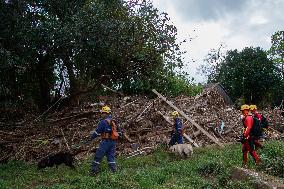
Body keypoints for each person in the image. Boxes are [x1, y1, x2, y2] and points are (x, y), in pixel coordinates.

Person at [90, 105, 121, 175]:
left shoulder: (103, 122)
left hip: (105, 142)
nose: (102, 114)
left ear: (106, 113)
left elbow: (97, 132)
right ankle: (114, 172)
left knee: (98, 156)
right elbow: (119, 132)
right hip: (113, 142)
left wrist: (91, 138)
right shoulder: (114, 122)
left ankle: (94, 172)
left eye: (103, 113)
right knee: (111, 157)